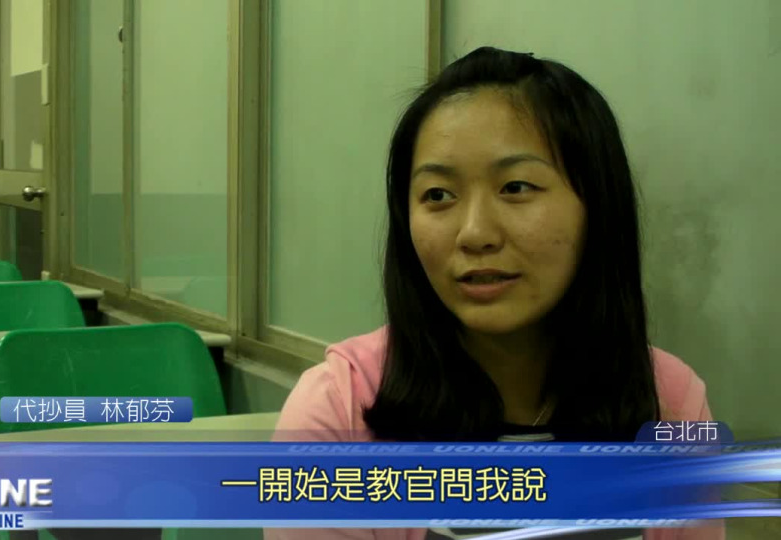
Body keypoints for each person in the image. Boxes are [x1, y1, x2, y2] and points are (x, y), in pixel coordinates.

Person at [265, 47, 722, 540]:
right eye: (438, 195)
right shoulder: (338, 414)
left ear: (597, 206)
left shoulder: (672, 404)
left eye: (516, 187)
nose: (475, 233)